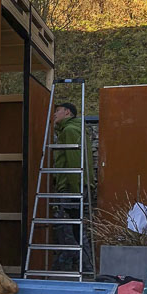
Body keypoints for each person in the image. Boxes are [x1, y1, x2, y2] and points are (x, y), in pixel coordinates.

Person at [51, 102, 94, 273]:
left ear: (67, 112)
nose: (54, 115)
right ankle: (81, 266)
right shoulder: (74, 130)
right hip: (75, 185)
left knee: (71, 231)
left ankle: (83, 267)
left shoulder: (69, 131)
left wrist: (75, 189)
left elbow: (75, 162)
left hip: (71, 187)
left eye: (57, 111)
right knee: (74, 229)